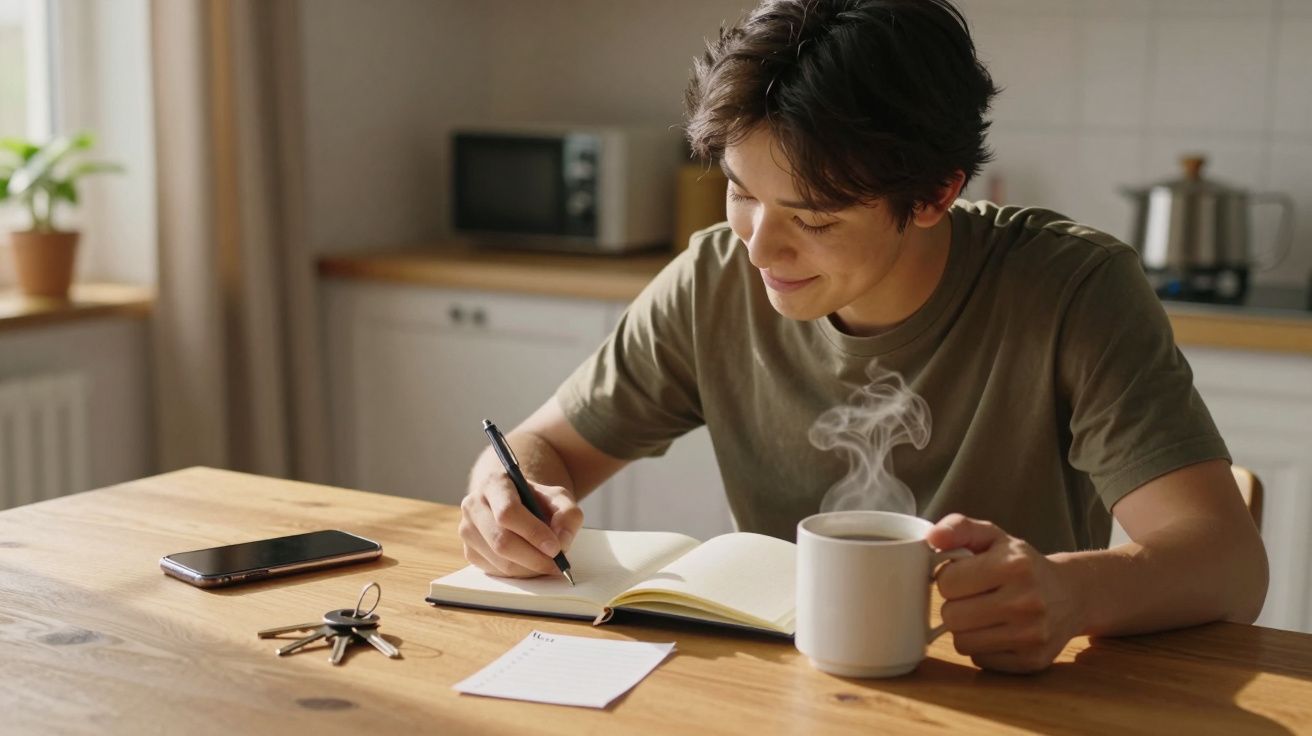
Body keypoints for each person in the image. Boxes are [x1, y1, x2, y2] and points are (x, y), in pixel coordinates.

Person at [458, 0, 1268, 674]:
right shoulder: (712, 278)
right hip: (783, 691)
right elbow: (540, 449)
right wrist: (510, 497)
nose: (760, 247)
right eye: (740, 193)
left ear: (934, 194)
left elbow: (1227, 566)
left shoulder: (1071, 291)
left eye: (813, 218)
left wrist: (1069, 593)